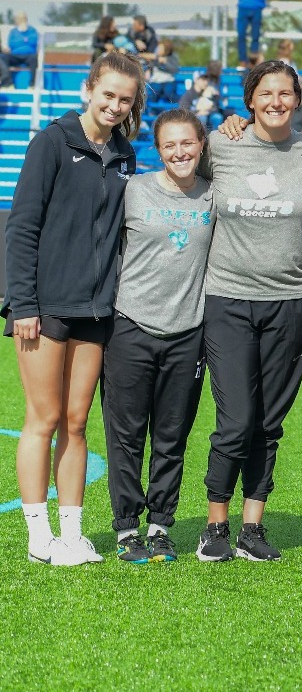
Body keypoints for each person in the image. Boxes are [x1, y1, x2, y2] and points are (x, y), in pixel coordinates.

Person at [196, 60, 302, 563]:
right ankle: (215, 524)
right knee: (235, 419)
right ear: (250, 100)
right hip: (228, 299)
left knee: (269, 422)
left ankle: (252, 528)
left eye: (285, 93)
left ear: (298, 100)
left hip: (292, 302)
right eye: (266, 93)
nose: (276, 101)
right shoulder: (221, 146)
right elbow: (179, 178)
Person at [5, 52, 143, 565]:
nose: (114, 105)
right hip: (43, 307)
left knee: (78, 422)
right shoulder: (51, 142)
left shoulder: (126, 156)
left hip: (96, 310)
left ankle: (72, 533)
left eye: (124, 99)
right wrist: (23, 302)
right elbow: (21, 227)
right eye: (107, 94)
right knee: (42, 418)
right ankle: (38, 534)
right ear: (89, 89)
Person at [101, 110, 215, 563]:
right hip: (130, 326)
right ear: (158, 148)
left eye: (187, 143)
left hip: (188, 333)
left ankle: (160, 525)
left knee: (172, 437)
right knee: (125, 435)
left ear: (201, 145)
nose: (179, 152)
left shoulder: (215, 195)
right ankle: (127, 528)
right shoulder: (133, 190)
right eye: (170, 145)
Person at [5, 11, 39, 86]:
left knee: (34, 58)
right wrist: (24, 40)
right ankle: (8, 81)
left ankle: (32, 83)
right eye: (19, 19)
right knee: (3, 57)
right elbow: (12, 44)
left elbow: (33, 41)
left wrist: (22, 38)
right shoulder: (13, 32)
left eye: (22, 19)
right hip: (15, 56)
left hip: (29, 55)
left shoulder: (32, 30)